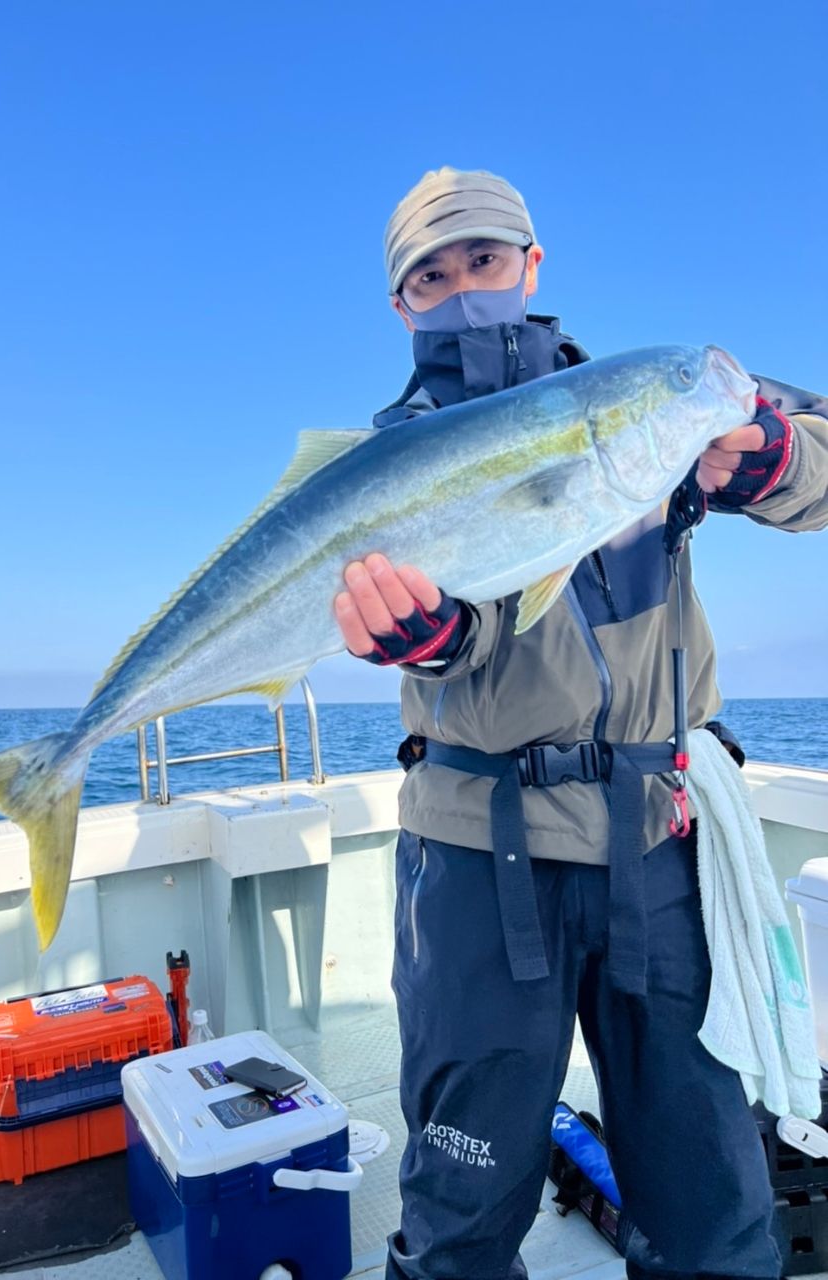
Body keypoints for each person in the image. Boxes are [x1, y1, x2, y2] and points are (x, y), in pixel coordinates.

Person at [333, 167, 828, 1280]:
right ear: (400, 303)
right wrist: (432, 641)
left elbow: (818, 451)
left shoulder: (650, 403)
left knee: (712, 1201)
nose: (463, 289)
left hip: (656, 838)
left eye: (485, 261)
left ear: (532, 265)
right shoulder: (390, 455)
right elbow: (463, 647)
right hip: (477, 851)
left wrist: (772, 461)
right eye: (431, 274)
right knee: (461, 1210)